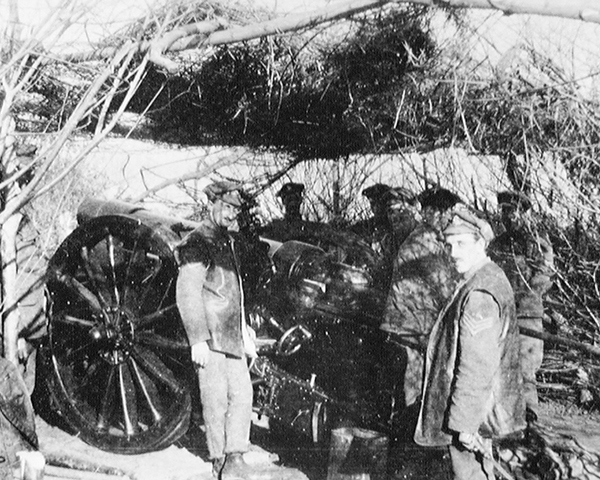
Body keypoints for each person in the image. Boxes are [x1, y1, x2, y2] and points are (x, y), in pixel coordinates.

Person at [414, 205, 525, 480]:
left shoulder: (480, 293)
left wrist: (464, 424)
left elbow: (476, 365)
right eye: (450, 245)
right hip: (478, 413)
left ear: (481, 244)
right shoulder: (483, 278)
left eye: (462, 244)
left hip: (474, 417)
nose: (453, 253)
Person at [175, 181, 259, 480]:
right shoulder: (199, 241)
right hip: (210, 334)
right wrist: (197, 338)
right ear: (213, 204)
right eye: (228, 208)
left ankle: (235, 455)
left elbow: (234, 291)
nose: (232, 214)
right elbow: (188, 292)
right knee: (215, 399)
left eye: (236, 209)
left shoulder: (226, 240)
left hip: (230, 333)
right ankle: (219, 460)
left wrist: (243, 330)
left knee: (243, 395)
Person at [380, 187, 462, 410]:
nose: (447, 217)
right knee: (413, 384)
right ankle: (408, 431)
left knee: (414, 381)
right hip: (411, 327)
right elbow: (445, 285)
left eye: (448, 212)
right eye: (443, 212)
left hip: (415, 324)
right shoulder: (423, 242)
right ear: (430, 212)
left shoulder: (432, 239)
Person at [488, 190, 554, 421]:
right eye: (504, 211)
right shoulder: (497, 244)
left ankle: (530, 418)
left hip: (527, 315)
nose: (508, 217)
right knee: (499, 366)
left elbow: (544, 278)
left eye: (512, 211)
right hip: (501, 314)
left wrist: (520, 298)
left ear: (525, 213)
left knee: (526, 369)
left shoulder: (536, 243)